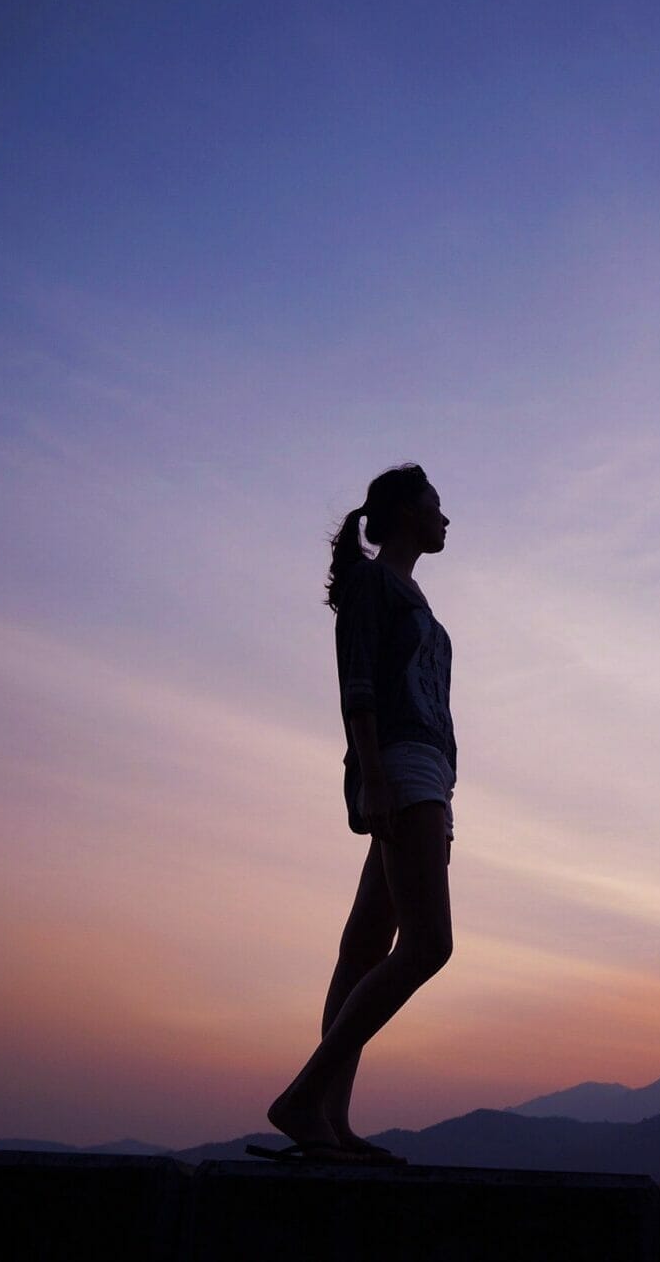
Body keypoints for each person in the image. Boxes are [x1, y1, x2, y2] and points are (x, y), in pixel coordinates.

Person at [266, 463, 455, 1164]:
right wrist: (374, 775)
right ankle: (303, 1098)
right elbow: (360, 685)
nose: (445, 518)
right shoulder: (372, 587)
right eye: (436, 505)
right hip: (401, 770)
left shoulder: (415, 599)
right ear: (407, 513)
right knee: (430, 944)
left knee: (364, 949)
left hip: (426, 775)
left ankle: (329, 1125)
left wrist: (441, 791)